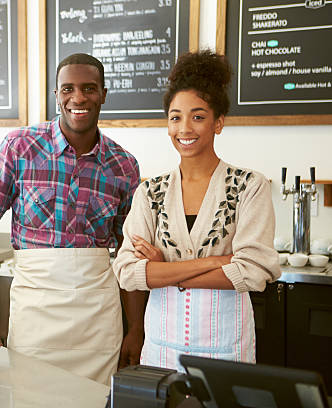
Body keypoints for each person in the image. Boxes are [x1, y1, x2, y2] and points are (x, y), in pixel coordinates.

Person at [0, 53, 142, 384]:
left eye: (89, 88)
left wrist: (136, 328)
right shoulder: (19, 147)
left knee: (96, 399)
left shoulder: (124, 166)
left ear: (104, 94)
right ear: (56, 95)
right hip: (35, 311)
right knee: (30, 395)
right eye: (68, 89)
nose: (78, 98)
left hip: (98, 317)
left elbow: (129, 250)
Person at [112, 50, 281, 370]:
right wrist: (217, 262)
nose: (185, 128)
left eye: (198, 116)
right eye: (175, 117)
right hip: (161, 347)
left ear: (218, 122)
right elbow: (128, 272)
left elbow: (255, 271)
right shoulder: (149, 192)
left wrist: (163, 270)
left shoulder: (248, 186)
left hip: (225, 349)